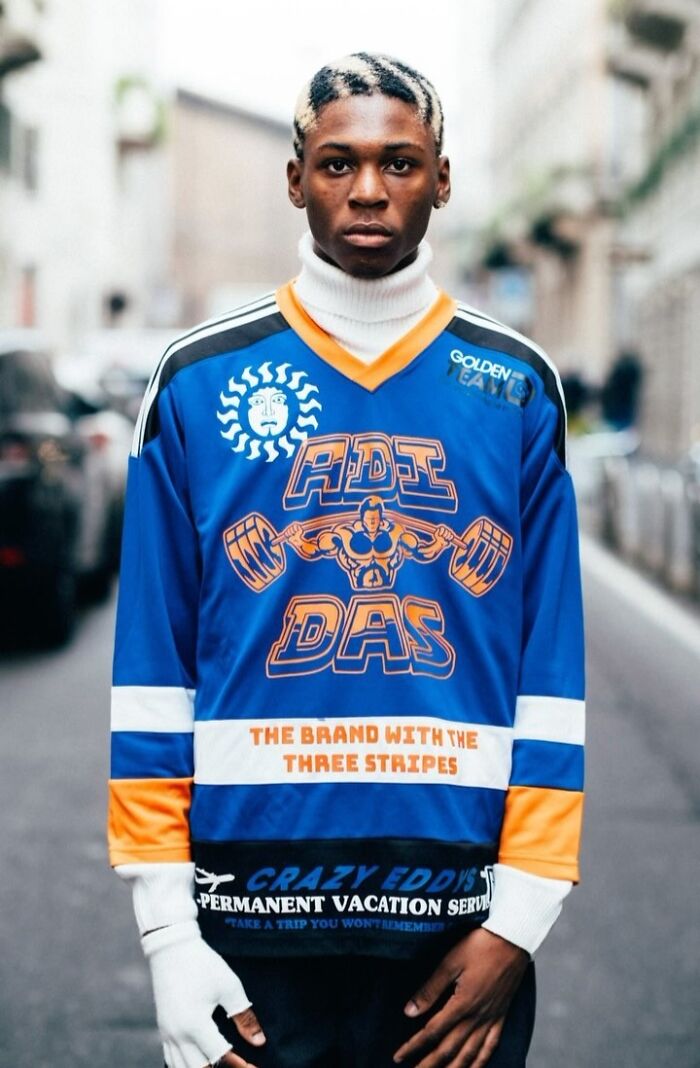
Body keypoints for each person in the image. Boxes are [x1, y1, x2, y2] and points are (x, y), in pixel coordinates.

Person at [108, 53, 585, 1068]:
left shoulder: (513, 388)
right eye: (337, 164)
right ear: (295, 180)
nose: (368, 190)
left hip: (457, 931)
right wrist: (165, 937)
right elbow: (151, 678)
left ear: (441, 180)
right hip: (247, 930)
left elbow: (551, 684)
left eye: (400, 163)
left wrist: (520, 922)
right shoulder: (198, 383)